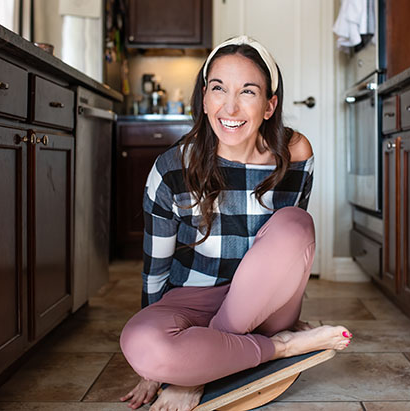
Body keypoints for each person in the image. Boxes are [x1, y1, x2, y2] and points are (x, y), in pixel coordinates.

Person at [119, 35, 352, 411]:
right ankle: (282, 347)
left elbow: (287, 248)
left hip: (264, 304)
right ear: (205, 98)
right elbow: (155, 268)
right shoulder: (171, 167)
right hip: (191, 299)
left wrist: (187, 372)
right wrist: (153, 359)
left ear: (269, 105)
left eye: (247, 91)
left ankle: (202, 368)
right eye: (218, 89)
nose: (230, 106)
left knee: (295, 223)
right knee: (139, 342)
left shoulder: (295, 153)